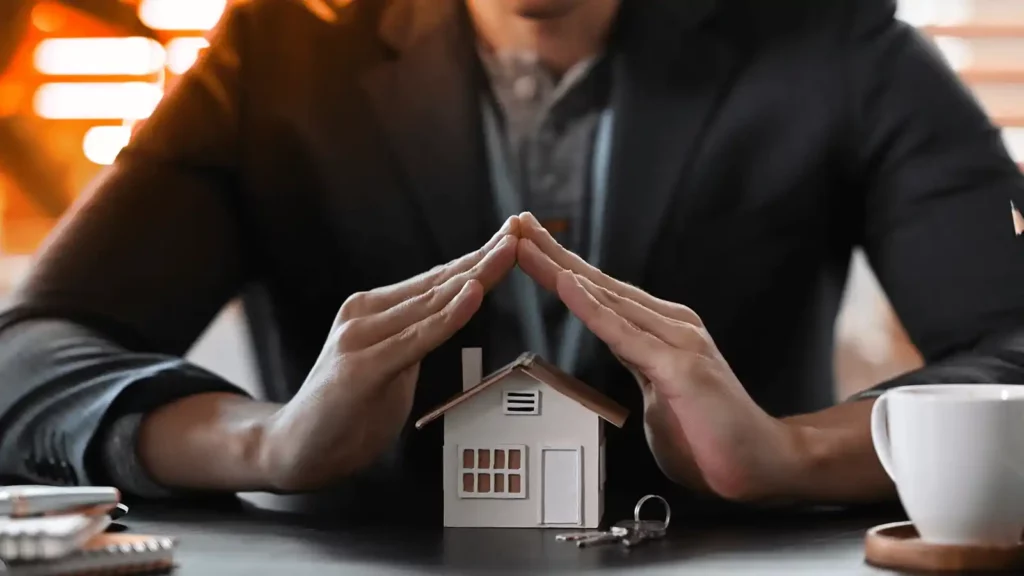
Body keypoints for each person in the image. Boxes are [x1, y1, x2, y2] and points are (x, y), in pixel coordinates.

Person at [0, 0, 1022, 523]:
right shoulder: (278, 50)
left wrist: (786, 454)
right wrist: (263, 443)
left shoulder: (832, 40)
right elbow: (25, 359)